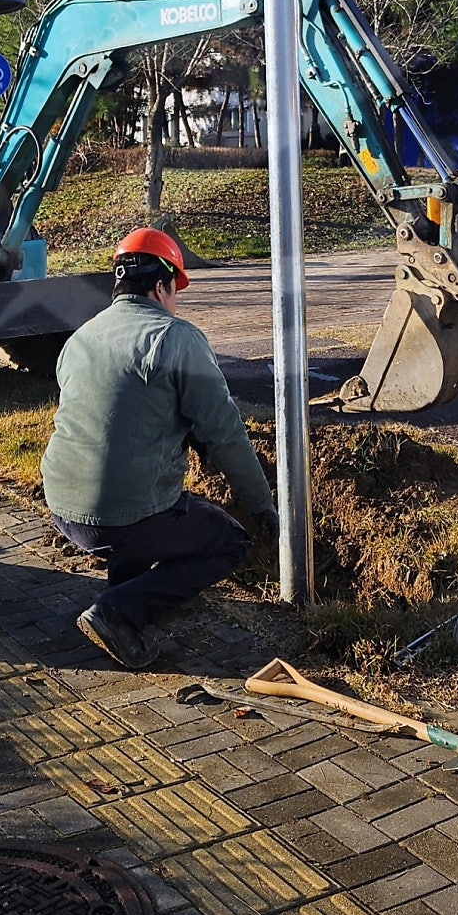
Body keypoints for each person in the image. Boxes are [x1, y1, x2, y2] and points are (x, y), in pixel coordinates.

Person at [42, 226, 280, 671]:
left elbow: (117, 412)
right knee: (228, 542)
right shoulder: (174, 337)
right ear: (161, 285)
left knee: (139, 506)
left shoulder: (81, 337)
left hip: (62, 505)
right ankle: (116, 613)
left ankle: (121, 595)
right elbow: (225, 433)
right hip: (119, 513)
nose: (175, 301)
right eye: (175, 290)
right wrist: (262, 507)